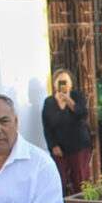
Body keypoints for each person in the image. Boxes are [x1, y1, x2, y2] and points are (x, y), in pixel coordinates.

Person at [42, 68, 93, 196]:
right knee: (60, 179)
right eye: (60, 81)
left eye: (66, 81)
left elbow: (82, 114)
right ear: (54, 84)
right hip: (59, 149)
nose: (63, 84)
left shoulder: (78, 97)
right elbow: (47, 126)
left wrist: (68, 100)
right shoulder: (49, 102)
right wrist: (53, 145)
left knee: (80, 179)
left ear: (71, 83)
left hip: (79, 145)